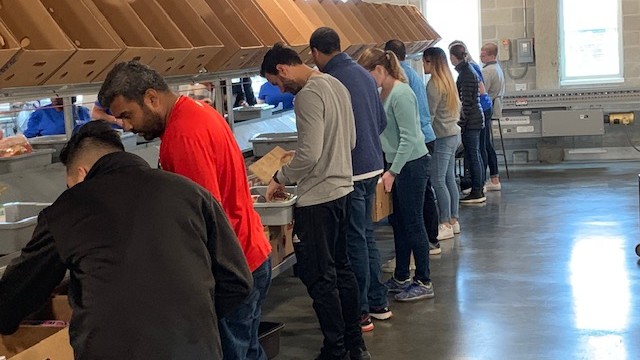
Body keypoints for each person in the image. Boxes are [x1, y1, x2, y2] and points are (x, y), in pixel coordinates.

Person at [0, 121, 252, 359]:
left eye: (70, 185)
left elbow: (19, 291)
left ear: (81, 172)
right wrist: (189, 322)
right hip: (197, 351)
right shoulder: (192, 193)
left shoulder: (68, 208)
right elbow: (237, 281)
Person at [98, 61, 272, 360]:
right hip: (251, 254)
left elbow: (202, 220)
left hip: (230, 268)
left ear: (151, 98)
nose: (126, 126)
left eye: (127, 115)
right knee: (248, 351)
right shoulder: (199, 112)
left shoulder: (182, 136)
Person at [261, 43, 368, 360]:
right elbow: (349, 140)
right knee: (342, 271)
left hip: (317, 200)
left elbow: (309, 154)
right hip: (342, 191)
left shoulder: (306, 95)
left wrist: (280, 177)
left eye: (275, 82)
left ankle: (334, 349)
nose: (279, 88)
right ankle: (355, 345)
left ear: (282, 69)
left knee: (319, 278)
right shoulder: (335, 84)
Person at [310, 27, 389, 333]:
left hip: (352, 170)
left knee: (353, 240)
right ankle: (378, 301)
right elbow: (380, 121)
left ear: (316, 53)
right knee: (365, 235)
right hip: (372, 164)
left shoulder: (330, 81)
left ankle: (360, 312)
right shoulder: (361, 74)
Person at [358, 48, 435, 302]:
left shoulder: (402, 93)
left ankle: (424, 280)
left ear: (380, 70)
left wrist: (393, 171)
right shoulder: (383, 93)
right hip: (396, 164)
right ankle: (402, 275)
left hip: (411, 164)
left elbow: (409, 137)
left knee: (413, 224)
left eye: (369, 75)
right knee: (399, 224)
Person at [384, 39, 442, 250]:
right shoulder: (412, 73)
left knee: (415, 211)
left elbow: (406, 132)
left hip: (417, 144)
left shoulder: (400, 83)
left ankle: (425, 245)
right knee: (426, 194)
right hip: (426, 136)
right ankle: (431, 239)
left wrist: (392, 170)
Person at [423, 47, 463, 239]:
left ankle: (445, 222)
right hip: (453, 134)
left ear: (431, 62)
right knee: (449, 178)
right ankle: (454, 220)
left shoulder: (433, 85)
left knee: (438, 180)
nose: (422, 65)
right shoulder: (448, 81)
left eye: (424, 61)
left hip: (442, 137)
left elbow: (429, 116)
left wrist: (422, 138)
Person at [448, 40, 492, 193]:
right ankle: (477, 187)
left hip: (472, 120)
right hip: (476, 118)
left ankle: (477, 189)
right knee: (476, 153)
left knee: (474, 154)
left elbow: (466, 102)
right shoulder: (467, 70)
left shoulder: (466, 73)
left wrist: (461, 123)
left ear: (454, 57)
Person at [480, 42, 505, 191]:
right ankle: (494, 177)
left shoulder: (488, 71)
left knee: (485, 144)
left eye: (483, 55)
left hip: (487, 107)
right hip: (494, 106)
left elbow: (483, 91)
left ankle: (491, 178)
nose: (481, 57)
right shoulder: (498, 68)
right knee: (487, 143)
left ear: (491, 56)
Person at [24, 97, 91, 138]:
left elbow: (89, 131)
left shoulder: (81, 111)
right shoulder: (41, 113)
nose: (55, 98)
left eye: (59, 96)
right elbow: (29, 135)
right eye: (53, 95)